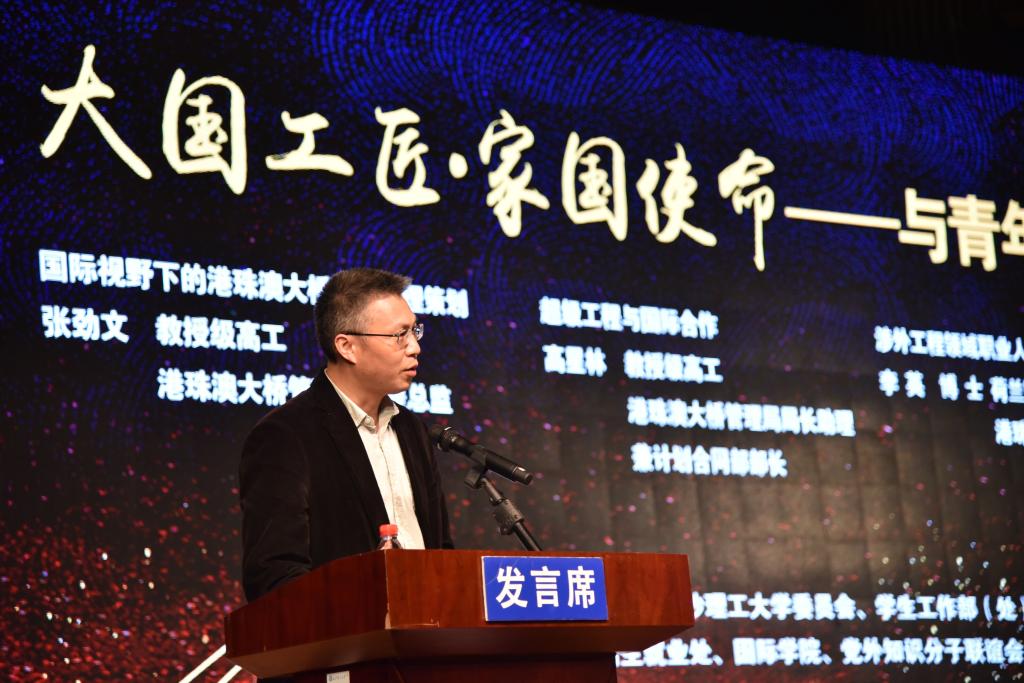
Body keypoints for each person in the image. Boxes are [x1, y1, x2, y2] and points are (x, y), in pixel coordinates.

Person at [239, 267, 453, 602]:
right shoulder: (286, 435)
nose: (414, 347)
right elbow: (274, 576)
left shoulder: (412, 429)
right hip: (349, 632)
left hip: (428, 625)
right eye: (399, 335)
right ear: (347, 346)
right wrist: (363, 592)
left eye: (415, 331)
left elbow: (441, 550)